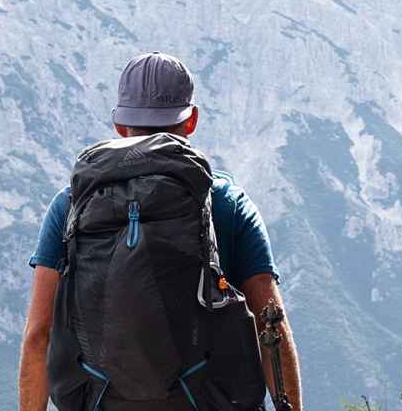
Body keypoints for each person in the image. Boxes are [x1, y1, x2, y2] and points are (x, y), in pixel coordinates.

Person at [17, 51, 304, 410]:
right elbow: (270, 325)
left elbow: (37, 337)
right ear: (191, 120)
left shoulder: (71, 204)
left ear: (120, 125)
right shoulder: (227, 202)